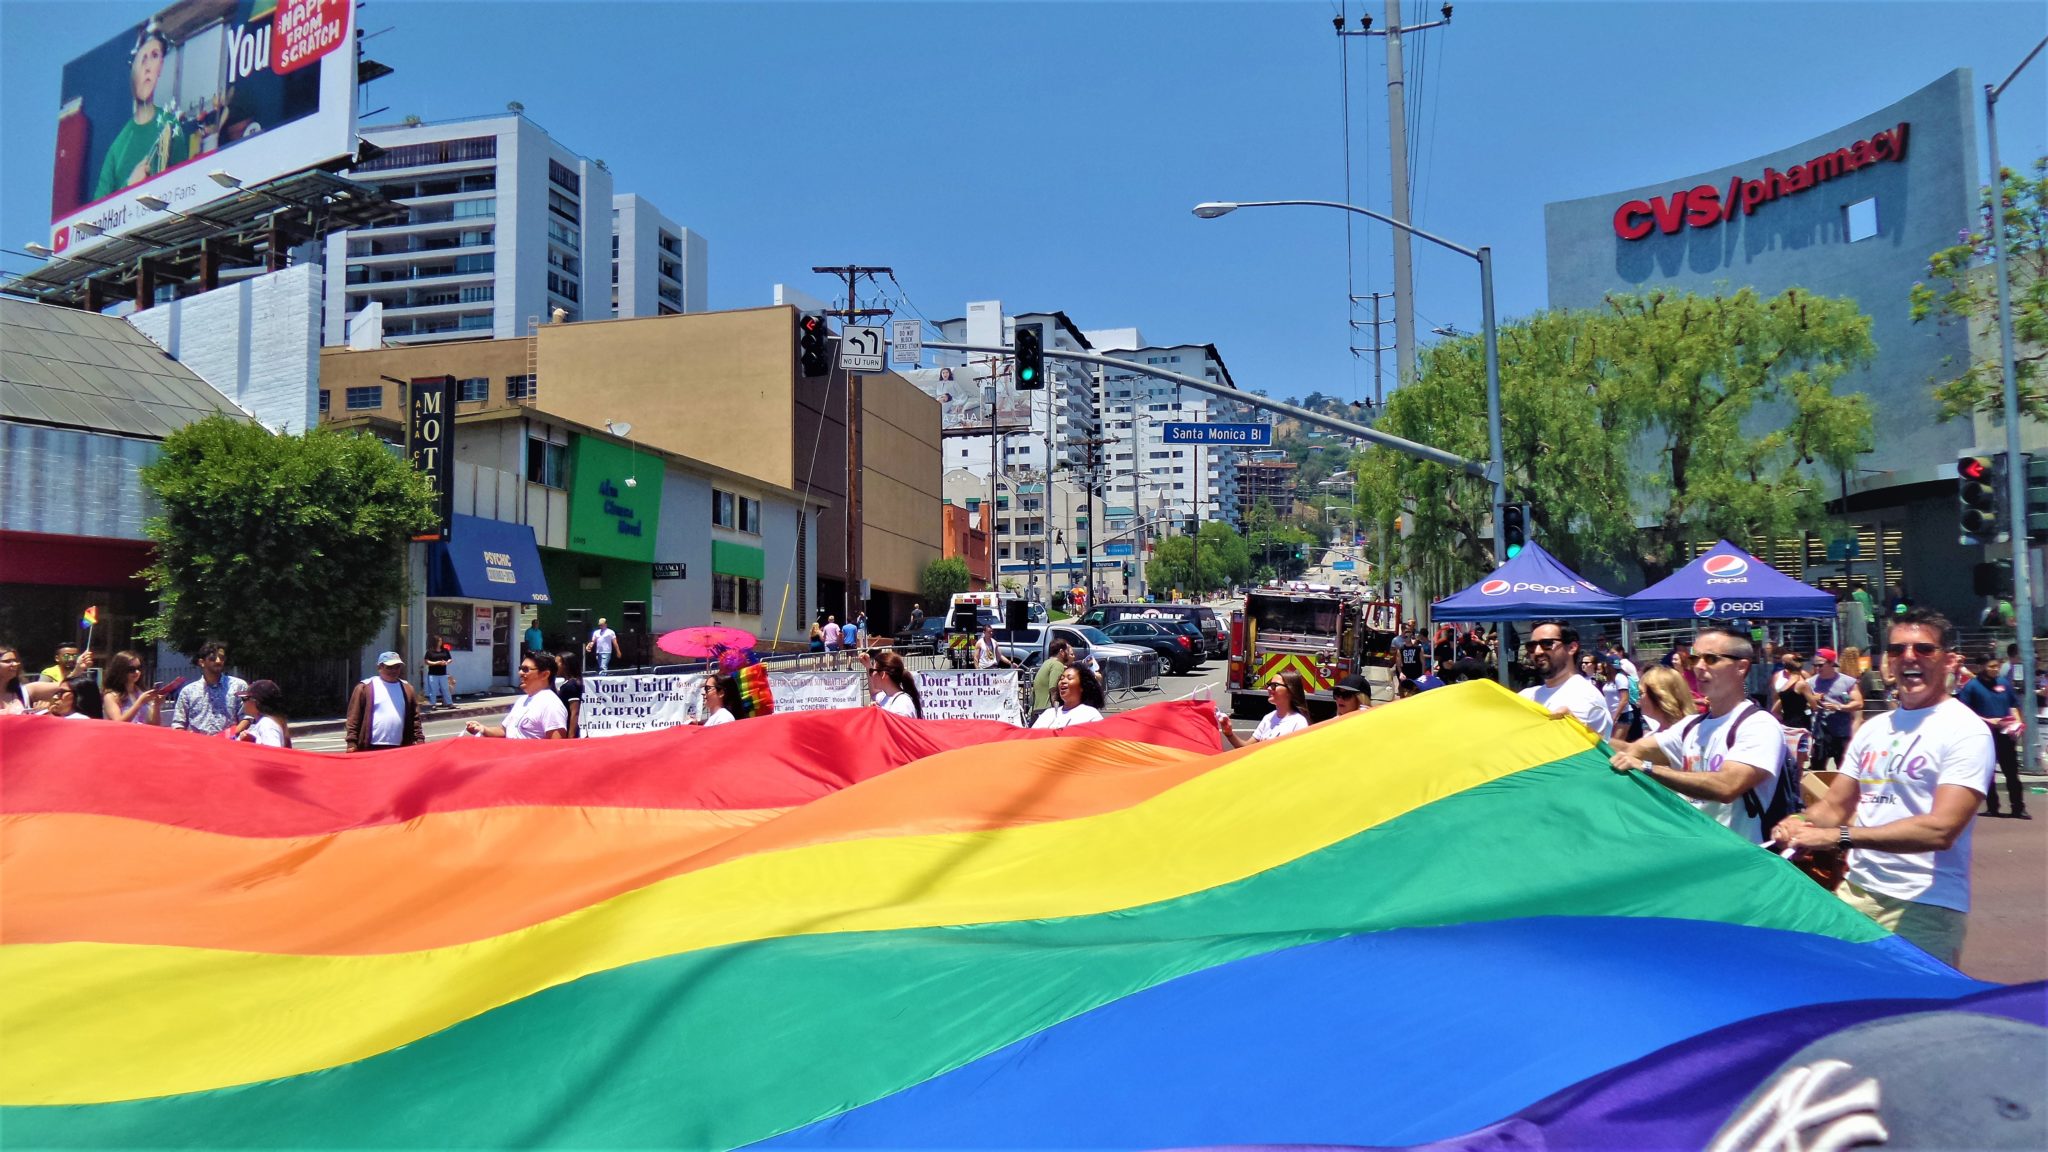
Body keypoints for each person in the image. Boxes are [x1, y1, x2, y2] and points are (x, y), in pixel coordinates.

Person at [1773, 609, 1995, 965]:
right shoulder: (1875, 729)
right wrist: (1800, 821)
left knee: (1912, 1016)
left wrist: (1839, 837)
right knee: (1842, 1002)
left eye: (1924, 649)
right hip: (1856, 893)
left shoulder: (1965, 730)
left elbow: (1941, 829)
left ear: (1950, 660)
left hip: (1926, 906)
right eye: (1896, 650)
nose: (1908, 657)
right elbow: (1834, 807)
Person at [1610, 625, 1786, 845]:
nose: (1699, 667)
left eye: (1711, 659)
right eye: (1694, 659)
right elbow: (1629, 751)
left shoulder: (1758, 724)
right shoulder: (1691, 726)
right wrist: (1578, 730)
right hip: (1698, 853)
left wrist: (1647, 768)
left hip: (1738, 861)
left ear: (1741, 667)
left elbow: (1727, 786)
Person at [93, 23, 185, 201]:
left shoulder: (171, 125)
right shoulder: (117, 149)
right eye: (142, 58)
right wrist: (129, 186)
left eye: (154, 56)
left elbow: (184, 188)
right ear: (132, 67)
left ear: (161, 67)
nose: (147, 67)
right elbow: (95, 219)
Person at [1956, 654, 2028, 819]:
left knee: (2012, 773)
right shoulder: (1971, 686)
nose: (1995, 670)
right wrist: (1988, 720)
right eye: (1992, 667)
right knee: (1989, 774)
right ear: (1982, 667)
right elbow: (1964, 712)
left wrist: (2017, 723)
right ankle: (1992, 806)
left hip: (2005, 734)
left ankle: (2018, 807)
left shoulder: (2003, 683)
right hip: (1985, 735)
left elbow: (2013, 705)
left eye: (1997, 666)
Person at [1519, 621, 1613, 738]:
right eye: (1531, 646)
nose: (1538, 651)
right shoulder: (1527, 696)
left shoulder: (1584, 697)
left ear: (1572, 648)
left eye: (1547, 643)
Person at [468, 652, 568, 739]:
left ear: (545, 674)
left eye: (525, 669)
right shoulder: (522, 700)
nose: (520, 673)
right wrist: (483, 729)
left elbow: (556, 746)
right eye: (520, 668)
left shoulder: (551, 705)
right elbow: (504, 731)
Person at [345, 651, 424, 752]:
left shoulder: (407, 688)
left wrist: (419, 739)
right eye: (389, 667)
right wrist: (351, 742)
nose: (394, 670)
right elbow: (353, 717)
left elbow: (415, 718)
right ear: (379, 668)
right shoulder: (365, 687)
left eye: (397, 667)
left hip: (400, 747)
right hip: (371, 747)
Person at [171, 641, 247, 736]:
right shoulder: (188, 692)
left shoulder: (238, 686)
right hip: (199, 747)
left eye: (222, 658)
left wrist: (227, 736)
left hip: (230, 745)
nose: (218, 661)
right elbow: (178, 724)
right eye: (212, 658)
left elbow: (247, 717)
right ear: (202, 662)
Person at [1806, 648, 1862, 774]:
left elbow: (1858, 703)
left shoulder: (1847, 681)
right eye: (1815, 665)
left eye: (1821, 665)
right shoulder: (1811, 682)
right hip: (1820, 732)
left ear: (1831, 663)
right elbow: (1805, 704)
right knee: (1817, 768)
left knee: (1845, 769)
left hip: (1841, 732)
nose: (1817, 668)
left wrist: (1839, 707)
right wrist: (1813, 700)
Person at [1221, 669, 1309, 748]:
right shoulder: (1268, 718)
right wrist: (1229, 733)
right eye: (1269, 685)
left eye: (1275, 685)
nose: (1269, 688)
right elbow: (1246, 748)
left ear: (1290, 691)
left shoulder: (1299, 723)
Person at [1033, 663, 1105, 729]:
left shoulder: (1091, 714)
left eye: (1069, 678)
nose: (1063, 681)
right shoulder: (1048, 713)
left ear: (1082, 686)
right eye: (1061, 678)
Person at [100, 649, 162, 725]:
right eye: (131, 669)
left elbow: (155, 725)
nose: (137, 672)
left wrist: (157, 705)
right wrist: (140, 702)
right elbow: (118, 723)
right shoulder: (111, 696)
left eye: (139, 668)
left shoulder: (141, 692)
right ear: (120, 670)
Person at [1636, 664, 1693, 734]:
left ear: (1658, 696)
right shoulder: (1653, 736)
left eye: (1641, 693)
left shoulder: (1690, 733)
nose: (1638, 698)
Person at [233, 680, 291, 748]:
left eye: (244, 699)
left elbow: (273, 753)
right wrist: (252, 741)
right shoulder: (269, 721)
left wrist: (251, 743)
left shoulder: (266, 724)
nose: (243, 703)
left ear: (256, 701)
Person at [868, 650, 924, 719]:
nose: (871, 675)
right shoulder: (886, 697)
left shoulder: (902, 704)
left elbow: (897, 729)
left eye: (872, 671)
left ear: (883, 674)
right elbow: (874, 693)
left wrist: (878, 716)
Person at [1033, 639, 1074, 713]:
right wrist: (1056, 713)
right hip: (1047, 711)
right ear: (1061, 652)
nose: (1068, 654)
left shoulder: (1047, 663)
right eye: (1067, 651)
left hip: (1037, 710)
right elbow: (1054, 690)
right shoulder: (1057, 665)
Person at [554, 649, 585, 738]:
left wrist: (571, 736)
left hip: (568, 730)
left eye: (557, 664)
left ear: (566, 665)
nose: (555, 667)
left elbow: (574, 712)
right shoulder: (567, 684)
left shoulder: (571, 685)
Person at [422, 643, 455, 710]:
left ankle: (449, 703)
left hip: (443, 673)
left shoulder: (445, 650)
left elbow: (450, 659)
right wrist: (437, 663)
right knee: (433, 690)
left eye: (440, 641)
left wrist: (446, 662)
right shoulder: (430, 651)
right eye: (438, 641)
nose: (439, 642)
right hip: (433, 674)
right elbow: (426, 661)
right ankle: (433, 704)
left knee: (445, 689)